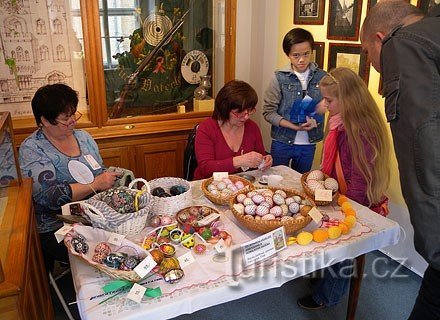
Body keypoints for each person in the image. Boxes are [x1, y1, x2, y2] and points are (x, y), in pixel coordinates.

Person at [361, 2, 440, 319]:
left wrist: (436, 249)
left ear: (380, 39)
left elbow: (425, 145)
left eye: (367, 51)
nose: (372, 61)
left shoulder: (404, 45)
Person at [297, 67, 391, 310]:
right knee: (327, 235)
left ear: (347, 99)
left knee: (344, 251)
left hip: (354, 199)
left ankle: (326, 296)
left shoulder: (360, 131)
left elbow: (360, 177)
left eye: (329, 100)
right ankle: (322, 278)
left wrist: (344, 204)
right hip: (339, 192)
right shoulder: (342, 121)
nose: (325, 105)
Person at [19, 83, 121, 272]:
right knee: (104, 250)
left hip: (95, 216)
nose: (73, 121)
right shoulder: (32, 149)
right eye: (66, 118)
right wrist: (95, 184)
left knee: (126, 238)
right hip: (56, 225)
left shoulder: (83, 137)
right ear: (45, 120)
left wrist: (111, 178)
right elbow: (47, 197)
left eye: (74, 114)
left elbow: (100, 171)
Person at [263, 28, 326, 174]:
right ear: (287, 55)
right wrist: (293, 126)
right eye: (296, 55)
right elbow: (268, 112)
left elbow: (329, 105)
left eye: (306, 54)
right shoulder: (279, 78)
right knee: (277, 182)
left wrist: (318, 116)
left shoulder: (322, 77)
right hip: (282, 141)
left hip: (308, 143)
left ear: (312, 51)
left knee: (300, 184)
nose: (302, 59)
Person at [193, 80, 272, 180]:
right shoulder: (207, 128)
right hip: (208, 184)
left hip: (241, 184)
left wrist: (265, 160)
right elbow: (205, 168)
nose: (246, 117)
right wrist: (239, 161)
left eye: (249, 110)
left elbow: (260, 155)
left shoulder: (252, 127)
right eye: (239, 113)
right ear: (225, 109)